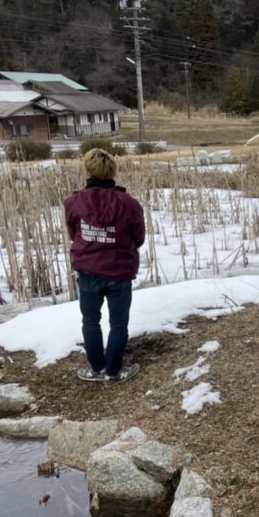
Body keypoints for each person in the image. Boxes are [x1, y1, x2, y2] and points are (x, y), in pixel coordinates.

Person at [65, 148, 145, 385]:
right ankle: (113, 370)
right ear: (113, 172)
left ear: (87, 170)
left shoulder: (73, 202)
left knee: (90, 320)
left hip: (88, 270)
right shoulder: (129, 204)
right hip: (119, 272)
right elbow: (138, 238)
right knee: (118, 323)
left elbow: (73, 234)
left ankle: (97, 368)